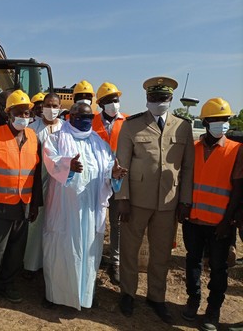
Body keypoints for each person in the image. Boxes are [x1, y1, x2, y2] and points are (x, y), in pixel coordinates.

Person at [115, 76, 194, 324]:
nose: (158, 102)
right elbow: (121, 165)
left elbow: (188, 168)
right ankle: (128, 293)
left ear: (170, 100)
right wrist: (123, 198)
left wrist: (185, 200)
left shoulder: (183, 126)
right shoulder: (131, 125)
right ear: (147, 99)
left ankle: (156, 297)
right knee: (130, 249)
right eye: (154, 98)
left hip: (168, 203)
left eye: (163, 98)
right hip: (136, 201)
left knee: (161, 253)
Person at [43, 102, 127, 310]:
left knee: (88, 253)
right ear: (70, 116)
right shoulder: (56, 138)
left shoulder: (99, 143)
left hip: (90, 210)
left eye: (89, 117)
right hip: (64, 209)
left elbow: (109, 171)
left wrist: (114, 175)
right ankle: (57, 296)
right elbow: (50, 161)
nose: (85, 121)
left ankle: (84, 295)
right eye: (80, 117)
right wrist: (67, 166)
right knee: (63, 249)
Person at [180, 98, 243, 331]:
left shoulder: (236, 150)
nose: (221, 124)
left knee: (218, 268)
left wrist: (227, 222)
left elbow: (237, 189)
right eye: (216, 120)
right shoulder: (193, 149)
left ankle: (213, 309)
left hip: (220, 223)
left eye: (225, 119)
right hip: (194, 219)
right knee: (192, 261)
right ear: (205, 122)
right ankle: (193, 299)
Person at [0, 90, 42, 309]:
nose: (24, 116)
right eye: (19, 112)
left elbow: (37, 172)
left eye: (27, 112)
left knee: (16, 251)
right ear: (9, 113)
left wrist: (34, 204)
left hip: (23, 205)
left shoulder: (33, 137)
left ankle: (7, 284)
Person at [92, 82, 128, 285]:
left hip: (118, 180)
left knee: (117, 223)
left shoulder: (128, 122)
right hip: (96, 180)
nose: (114, 103)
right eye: (109, 101)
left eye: (116, 99)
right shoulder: (91, 122)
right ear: (101, 104)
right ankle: (94, 259)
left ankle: (115, 262)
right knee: (95, 222)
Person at [24, 93, 63, 275]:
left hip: (60, 186)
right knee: (35, 225)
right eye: (48, 105)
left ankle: (52, 266)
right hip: (37, 183)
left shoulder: (66, 128)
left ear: (60, 106)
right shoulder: (31, 129)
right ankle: (31, 265)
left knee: (56, 225)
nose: (51, 109)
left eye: (55, 106)